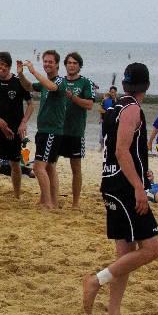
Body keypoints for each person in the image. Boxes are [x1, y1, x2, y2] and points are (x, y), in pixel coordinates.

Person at [83, 63, 158, 315]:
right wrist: (138, 186)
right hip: (124, 186)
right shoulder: (132, 109)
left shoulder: (115, 106)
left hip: (112, 181)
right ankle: (96, 281)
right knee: (152, 248)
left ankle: (113, 311)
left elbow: (121, 151)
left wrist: (143, 172)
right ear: (146, 86)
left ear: (125, 84)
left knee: (125, 251)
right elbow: (121, 151)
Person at [17, 51, 67, 209]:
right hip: (44, 130)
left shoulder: (59, 81)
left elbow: (52, 87)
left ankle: (48, 202)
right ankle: (52, 201)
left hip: (52, 131)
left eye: (50, 62)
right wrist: (21, 74)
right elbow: (29, 86)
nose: (47, 64)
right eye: (45, 61)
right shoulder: (45, 82)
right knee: (50, 167)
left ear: (57, 64)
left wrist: (33, 71)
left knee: (38, 167)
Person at [0, 52, 34, 204]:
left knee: (15, 163)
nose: (3, 68)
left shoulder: (17, 81)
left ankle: (17, 195)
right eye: (1, 64)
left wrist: (24, 122)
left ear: (10, 67)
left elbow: (31, 104)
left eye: (6, 65)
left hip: (14, 130)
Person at [58, 52, 95, 209]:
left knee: (76, 168)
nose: (72, 65)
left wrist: (73, 97)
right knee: (49, 165)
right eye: (69, 63)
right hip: (58, 130)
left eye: (75, 63)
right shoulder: (60, 81)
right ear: (65, 65)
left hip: (76, 131)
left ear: (79, 66)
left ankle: (75, 202)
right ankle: (51, 197)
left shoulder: (85, 82)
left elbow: (90, 105)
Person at [100, 86, 118, 150]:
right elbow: (100, 109)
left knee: (113, 135)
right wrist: (101, 118)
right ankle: (102, 146)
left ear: (116, 92)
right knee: (102, 134)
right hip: (104, 120)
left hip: (113, 121)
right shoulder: (105, 100)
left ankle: (112, 147)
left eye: (114, 92)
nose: (113, 94)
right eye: (111, 92)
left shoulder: (118, 101)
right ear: (109, 92)